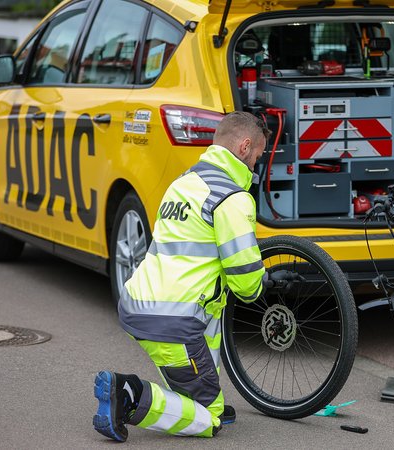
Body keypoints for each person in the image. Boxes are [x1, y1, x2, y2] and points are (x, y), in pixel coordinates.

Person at [93, 111, 270, 442]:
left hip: (137, 306)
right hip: (173, 323)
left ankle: (200, 391)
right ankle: (130, 395)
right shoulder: (232, 198)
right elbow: (246, 283)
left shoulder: (183, 183)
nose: (255, 166)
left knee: (212, 306)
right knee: (208, 419)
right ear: (245, 147)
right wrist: (263, 281)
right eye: (257, 156)